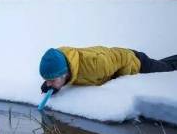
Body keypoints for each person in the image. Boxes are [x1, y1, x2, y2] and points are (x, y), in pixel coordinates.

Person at [40, 46, 177, 94]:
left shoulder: (96, 66)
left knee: (168, 70)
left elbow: (124, 58)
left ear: (65, 73)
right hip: (115, 58)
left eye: (51, 80)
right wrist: (50, 85)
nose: (48, 83)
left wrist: (121, 81)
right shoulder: (60, 60)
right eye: (47, 80)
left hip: (135, 62)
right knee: (163, 64)